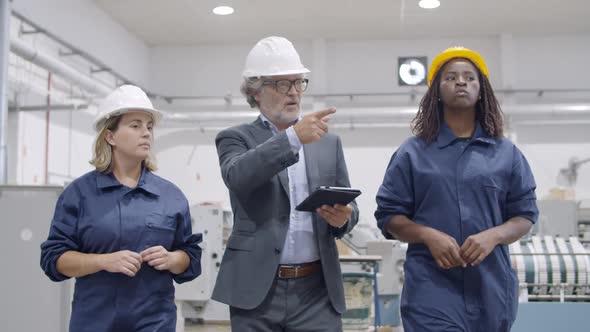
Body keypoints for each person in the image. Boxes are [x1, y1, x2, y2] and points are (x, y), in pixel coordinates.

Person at [375, 47, 538, 332]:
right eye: (450, 77)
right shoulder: (412, 153)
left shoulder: (506, 153)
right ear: (437, 90)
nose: (461, 82)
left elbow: (525, 215)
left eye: (469, 77)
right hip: (431, 289)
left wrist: (494, 236)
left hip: (491, 289)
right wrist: (427, 235)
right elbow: (389, 216)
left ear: (481, 90)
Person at [211, 36, 359, 331]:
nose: (293, 93)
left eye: (298, 83)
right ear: (256, 90)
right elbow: (239, 176)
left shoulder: (328, 143)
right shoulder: (235, 138)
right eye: (282, 84)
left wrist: (344, 217)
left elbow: (350, 206)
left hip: (317, 291)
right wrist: (292, 139)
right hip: (257, 292)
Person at [40, 85, 202, 332]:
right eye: (135, 126)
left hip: (155, 323)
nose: (146, 133)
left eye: (149, 126)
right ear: (110, 136)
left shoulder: (170, 196)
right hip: (95, 323)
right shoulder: (79, 194)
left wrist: (171, 258)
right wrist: (103, 261)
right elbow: (54, 259)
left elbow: (190, 257)